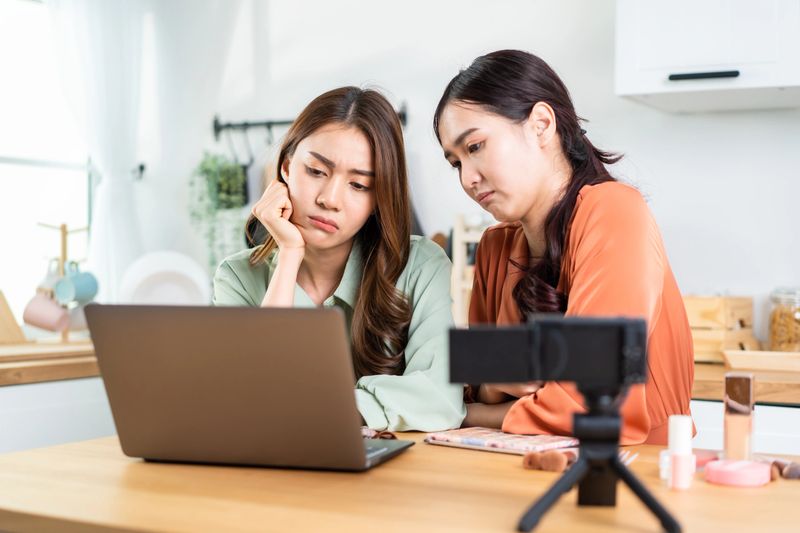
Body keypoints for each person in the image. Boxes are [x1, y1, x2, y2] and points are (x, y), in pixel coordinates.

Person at [433, 50, 693, 445]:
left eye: (475, 147)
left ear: (540, 124)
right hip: (511, 469)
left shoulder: (615, 211)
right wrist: (488, 388)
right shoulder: (495, 247)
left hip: (634, 474)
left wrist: (472, 412)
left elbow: (594, 403)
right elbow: (473, 382)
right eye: (455, 163)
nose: (468, 178)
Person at [214, 86, 465, 431]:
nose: (330, 199)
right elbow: (246, 396)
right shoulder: (238, 276)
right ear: (286, 168)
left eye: (359, 185)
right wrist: (289, 254)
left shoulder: (421, 265)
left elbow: (440, 397)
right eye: (316, 171)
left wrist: (318, 405)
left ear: (379, 197)